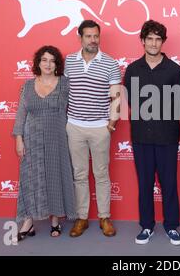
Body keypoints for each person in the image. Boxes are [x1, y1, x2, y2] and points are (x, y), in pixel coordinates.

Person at [124, 20, 180, 245]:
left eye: (158, 38)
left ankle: (171, 226)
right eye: (149, 38)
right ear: (142, 41)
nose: (153, 43)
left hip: (167, 137)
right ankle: (147, 226)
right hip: (141, 137)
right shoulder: (132, 69)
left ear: (163, 41)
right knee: (145, 183)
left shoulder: (174, 70)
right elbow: (130, 101)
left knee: (169, 183)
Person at [13, 45, 76, 241]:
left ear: (57, 64)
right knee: (31, 178)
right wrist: (18, 139)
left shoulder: (65, 84)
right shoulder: (28, 85)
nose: (48, 64)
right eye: (44, 60)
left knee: (55, 177)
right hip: (31, 138)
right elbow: (21, 114)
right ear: (38, 63)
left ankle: (55, 220)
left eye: (52, 60)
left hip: (57, 138)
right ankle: (28, 222)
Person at [64, 20, 121, 238]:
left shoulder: (110, 63)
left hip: (100, 128)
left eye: (96, 36)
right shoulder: (69, 61)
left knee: (101, 174)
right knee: (79, 174)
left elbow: (116, 95)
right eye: (88, 36)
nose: (92, 40)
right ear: (80, 38)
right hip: (75, 126)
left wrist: (111, 124)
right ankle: (82, 218)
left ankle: (104, 217)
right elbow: (63, 93)